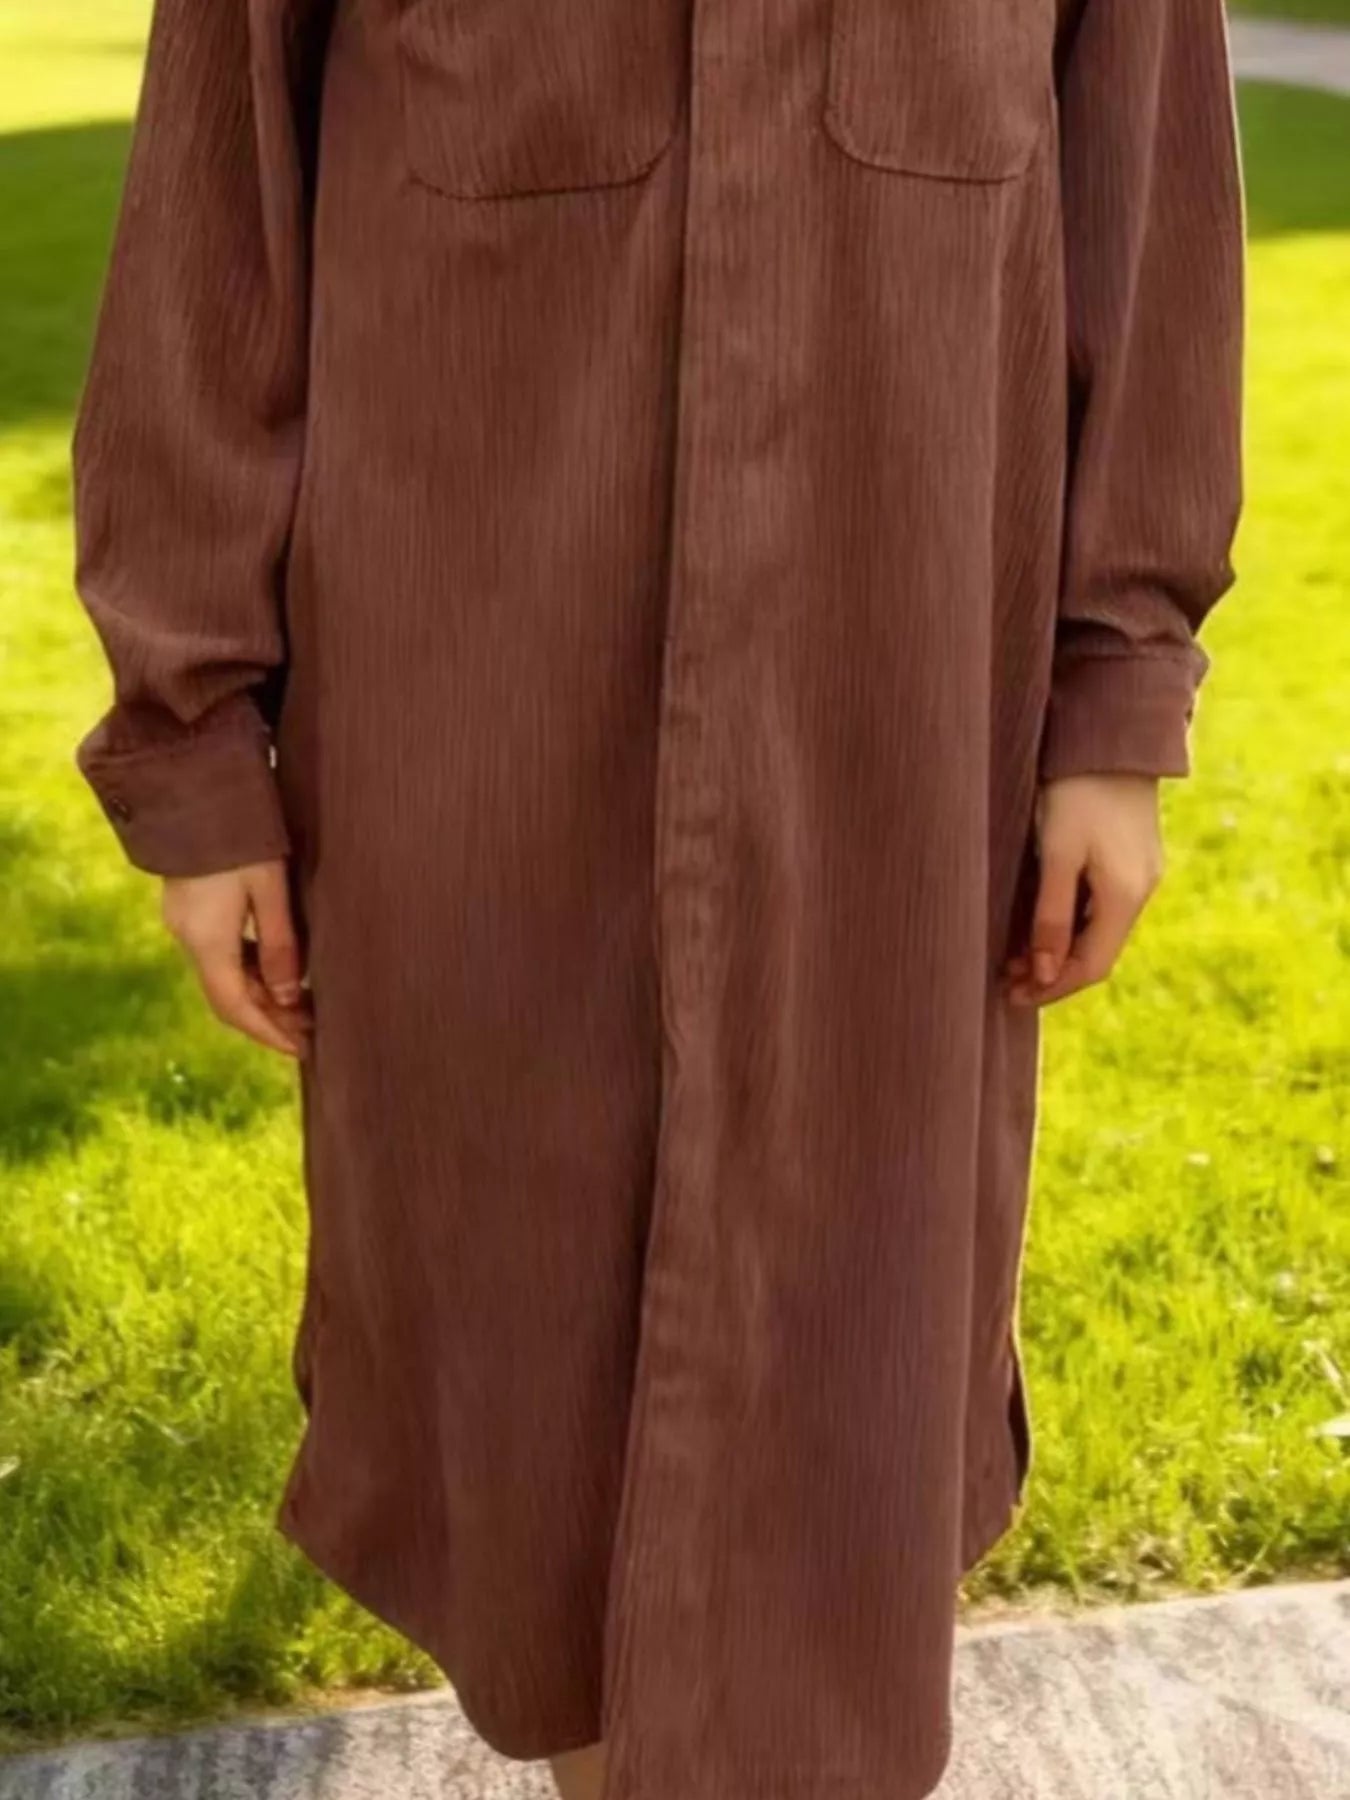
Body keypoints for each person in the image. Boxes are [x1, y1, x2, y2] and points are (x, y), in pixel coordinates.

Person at [69, 2, 1244, 1797]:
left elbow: (1143, 219)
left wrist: (1115, 694)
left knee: (837, 1424)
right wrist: (197, 742)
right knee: (530, 1440)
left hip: (892, 767)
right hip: (473, 754)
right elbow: (212, 232)